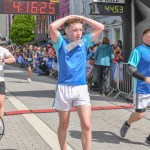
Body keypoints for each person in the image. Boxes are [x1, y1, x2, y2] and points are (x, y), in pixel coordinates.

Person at [49, 15, 104, 150]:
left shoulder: (85, 41)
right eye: (74, 30)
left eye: (80, 30)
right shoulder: (60, 42)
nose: (78, 33)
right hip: (64, 88)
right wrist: (69, 17)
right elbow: (52, 27)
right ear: (66, 31)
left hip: (81, 88)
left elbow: (101, 27)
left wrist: (81, 18)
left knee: (86, 124)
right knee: (64, 124)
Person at [120, 28, 150, 145]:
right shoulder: (138, 50)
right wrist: (146, 78)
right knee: (140, 115)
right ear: (143, 37)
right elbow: (130, 68)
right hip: (142, 88)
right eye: (149, 36)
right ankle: (127, 123)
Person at [0, 46, 15, 133]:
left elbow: (13, 59)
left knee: (1, 101)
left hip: (0, 80)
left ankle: (0, 124)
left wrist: (3, 60)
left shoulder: (2, 50)